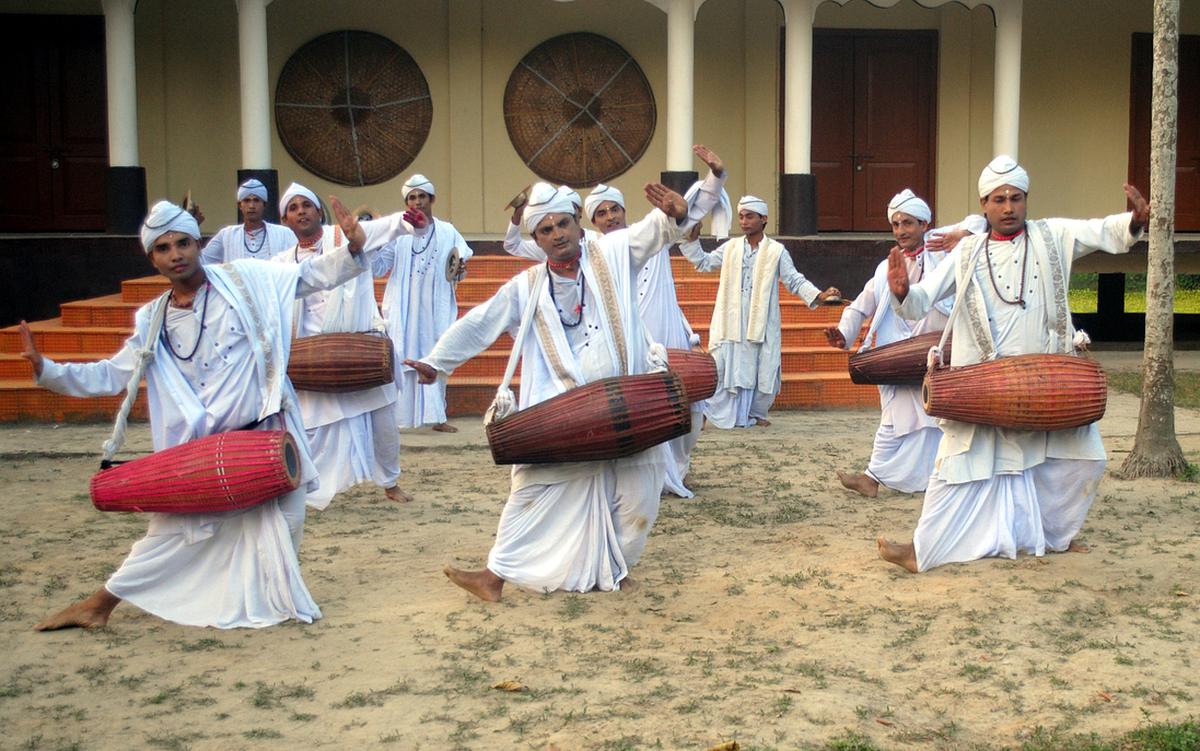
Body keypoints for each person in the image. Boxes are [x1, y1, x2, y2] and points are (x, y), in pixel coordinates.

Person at [22, 195, 406, 630]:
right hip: (207, 453)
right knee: (174, 536)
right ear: (152, 259)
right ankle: (99, 604)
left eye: (183, 243)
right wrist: (48, 372)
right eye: (163, 249)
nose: (176, 255)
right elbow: (114, 375)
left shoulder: (247, 281)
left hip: (269, 432)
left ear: (198, 244)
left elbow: (309, 275)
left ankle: (272, 598)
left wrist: (353, 249)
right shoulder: (153, 319)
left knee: (287, 518)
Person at [407, 146, 727, 601]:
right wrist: (435, 362)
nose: (556, 234)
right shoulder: (528, 285)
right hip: (566, 411)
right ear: (535, 239)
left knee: (640, 497)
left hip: (630, 405)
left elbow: (657, 229)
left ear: (578, 223)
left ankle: (614, 569)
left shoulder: (612, 252)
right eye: (545, 229)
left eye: (562, 224)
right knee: (531, 485)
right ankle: (493, 577)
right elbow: (483, 320)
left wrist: (681, 212)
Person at [877, 155, 1150, 573]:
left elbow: (1100, 231)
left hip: (1046, 382)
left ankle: (1054, 535)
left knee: (1083, 459)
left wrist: (1132, 222)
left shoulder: (1051, 235)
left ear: (1026, 200)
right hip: (985, 386)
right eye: (999, 199)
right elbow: (920, 301)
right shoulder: (967, 251)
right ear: (983, 204)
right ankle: (922, 549)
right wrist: (901, 292)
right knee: (957, 465)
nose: (1008, 207)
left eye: (1016, 198)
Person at [826, 190, 984, 497]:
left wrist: (961, 234)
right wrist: (845, 334)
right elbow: (861, 305)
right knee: (895, 420)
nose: (901, 230)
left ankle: (930, 479)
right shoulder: (886, 267)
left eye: (908, 223)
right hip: (898, 359)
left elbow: (980, 224)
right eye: (896, 224)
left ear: (925, 224)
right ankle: (873, 477)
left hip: (939, 357)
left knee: (939, 419)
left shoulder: (944, 253)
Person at [276, 182, 418, 506]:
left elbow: (385, 228)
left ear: (317, 211)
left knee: (384, 425)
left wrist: (409, 220)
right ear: (285, 220)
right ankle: (312, 486)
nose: (301, 211)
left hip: (362, 345)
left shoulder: (347, 235)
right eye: (293, 208)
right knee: (311, 427)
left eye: (306, 205)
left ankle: (390, 482)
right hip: (315, 356)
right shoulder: (282, 263)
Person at [680, 196, 840, 428]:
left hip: (761, 319)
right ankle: (711, 412)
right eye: (741, 217)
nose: (744, 222)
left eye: (750, 216)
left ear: (763, 219)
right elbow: (704, 263)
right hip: (730, 317)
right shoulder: (731, 247)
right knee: (722, 364)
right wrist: (692, 241)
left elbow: (793, 280)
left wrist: (819, 295)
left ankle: (753, 413)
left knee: (761, 365)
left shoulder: (776, 251)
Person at [372, 174, 473, 434]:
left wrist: (461, 268)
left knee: (436, 357)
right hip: (403, 309)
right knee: (402, 359)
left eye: (422, 196)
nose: (417, 202)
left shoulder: (448, 231)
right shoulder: (398, 232)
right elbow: (379, 268)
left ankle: (437, 416)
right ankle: (399, 418)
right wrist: (371, 243)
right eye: (412, 197)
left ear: (432, 199)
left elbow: (458, 268)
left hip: (435, 307)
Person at [200, 178, 297, 264]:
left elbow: (299, 259)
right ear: (240, 206)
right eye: (246, 200)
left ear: (264, 205)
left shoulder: (284, 234)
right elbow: (201, 261)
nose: (251, 206)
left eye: (256, 200)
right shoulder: (226, 235)